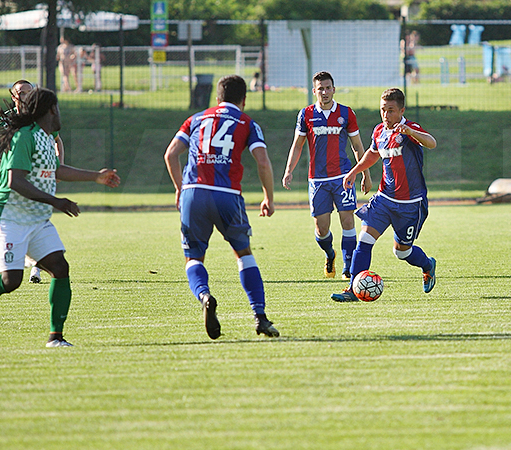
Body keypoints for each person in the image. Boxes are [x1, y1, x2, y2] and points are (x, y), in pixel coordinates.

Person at [0, 87, 121, 347]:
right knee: (11, 281)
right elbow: (15, 181)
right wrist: (55, 200)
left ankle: (56, 337)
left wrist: (96, 176)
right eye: (58, 108)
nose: (60, 113)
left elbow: (56, 169)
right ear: (50, 110)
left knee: (60, 267)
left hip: (36, 218)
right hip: (9, 216)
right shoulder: (24, 137)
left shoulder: (45, 136)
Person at [164, 74, 280, 339]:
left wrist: (180, 188)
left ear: (217, 99)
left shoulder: (195, 119)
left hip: (194, 194)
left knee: (193, 258)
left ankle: (204, 295)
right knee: (244, 254)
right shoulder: (246, 122)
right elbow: (262, 162)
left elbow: (170, 154)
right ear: (244, 100)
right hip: (227, 195)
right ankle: (260, 317)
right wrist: (268, 197)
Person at [331, 88, 438, 302]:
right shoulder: (379, 131)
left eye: (391, 110)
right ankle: (353, 288)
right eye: (383, 110)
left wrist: (411, 132)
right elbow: (372, 154)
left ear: (401, 110)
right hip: (384, 199)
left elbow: (432, 143)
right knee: (365, 239)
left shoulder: (409, 130)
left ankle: (427, 265)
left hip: (410, 204)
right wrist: (354, 172)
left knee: (402, 252)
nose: (386, 115)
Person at [282, 71, 372, 280]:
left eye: (328, 87)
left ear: (334, 89)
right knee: (322, 230)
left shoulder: (347, 113)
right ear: (314, 91)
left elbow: (358, 146)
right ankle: (330, 254)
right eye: (320, 88)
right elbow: (297, 145)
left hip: (344, 176)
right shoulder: (306, 115)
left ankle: (348, 269)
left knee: (348, 221)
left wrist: (364, 174)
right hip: (318, 180)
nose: (324, 92)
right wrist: (289, 170)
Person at [0, 80, 65, 285]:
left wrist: (58, 166)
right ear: (13, 96)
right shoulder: (5, 121)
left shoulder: (40, 120)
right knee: (8, 279)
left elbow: (57, 140)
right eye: (21, 92)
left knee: (39, 223)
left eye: (29, 92)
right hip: (14, 188)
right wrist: (8, 169)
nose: (25, 96)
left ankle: (36, 269)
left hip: (36, 183)